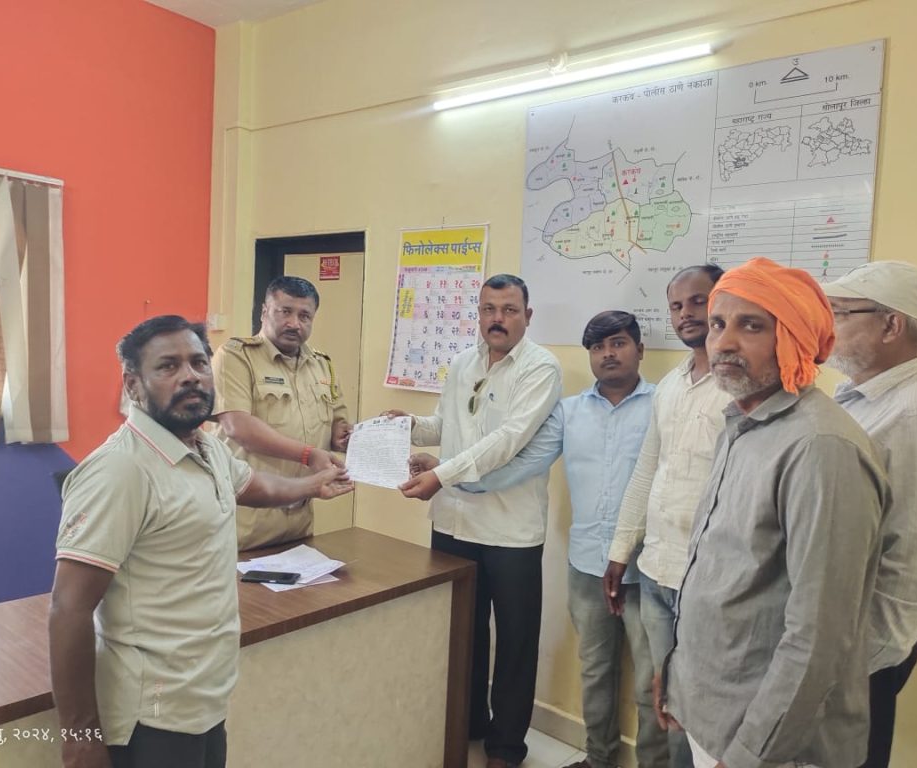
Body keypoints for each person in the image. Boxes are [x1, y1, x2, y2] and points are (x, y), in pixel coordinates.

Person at [48, 315, 352, 768]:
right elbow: (68, 608)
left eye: (198, 362)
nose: (190, 376)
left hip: (204, 701)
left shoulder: (205, 446)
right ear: (133, 385)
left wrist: (312, 484)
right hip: (152, 715)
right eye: (168, 366)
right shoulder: (119, 471)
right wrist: (80, 738)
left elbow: (252, 485)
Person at [414, 311, 665, 768]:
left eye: (618, 343)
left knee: (653, 682)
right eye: (598, 347)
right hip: (588, 561)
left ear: (639, 350)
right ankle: (599, 760)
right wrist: (452, 479)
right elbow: (526, 463)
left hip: (646, 565)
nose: (608, 354)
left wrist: (444, 475)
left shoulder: (663, 405)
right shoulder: (570, 411)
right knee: (595, 669)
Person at [665, 257, 889, 768]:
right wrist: (679, 680)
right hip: (716, 713)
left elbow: (818, 635)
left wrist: (750, 754)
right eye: (718, 324)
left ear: (793, 338)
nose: (723, 343)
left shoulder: (820, 447)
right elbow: (722, 574)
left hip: (770, 743)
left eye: (751, 326)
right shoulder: (743, 423)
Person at [386, 274, 562, 768]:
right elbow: (447, 425)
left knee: (515, 640)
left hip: (511, 529)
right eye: (488, 309)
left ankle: (506, 747)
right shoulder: (463, 362)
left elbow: (506, 441)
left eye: (509, 310)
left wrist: (440, 474)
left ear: (527, 315)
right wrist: (409, 425)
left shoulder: (541, 368)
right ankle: (467, 724)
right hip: (453, 522)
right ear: (478, 313)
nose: (497, 319)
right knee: (462, 633)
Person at [822, 261, 917, 768]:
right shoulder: (858, 399)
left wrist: (861, 663)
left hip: (863, 657)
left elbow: (915, 566)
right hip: (835, 646)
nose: (828, 325)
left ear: (891, 325)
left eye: (841, 313)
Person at [605, 264, 731, 768]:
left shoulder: (742, 385)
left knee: (702, 715)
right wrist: (621, 551)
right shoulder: (670, 386)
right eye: (676, 306)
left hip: (709, 583)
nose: (686, 314)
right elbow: (647, 471)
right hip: (656, 571)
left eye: (698, 301)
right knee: (665, 702)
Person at [210, 276, 352, 550]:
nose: (294, 323)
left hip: (299, 516)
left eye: (304, 316)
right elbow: (239, 427)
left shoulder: (321, 365)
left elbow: (337, 424)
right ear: (264, 312)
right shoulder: (236, 356)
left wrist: (345, 436)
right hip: (246, 516)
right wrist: (309, 455)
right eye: (285, 312)